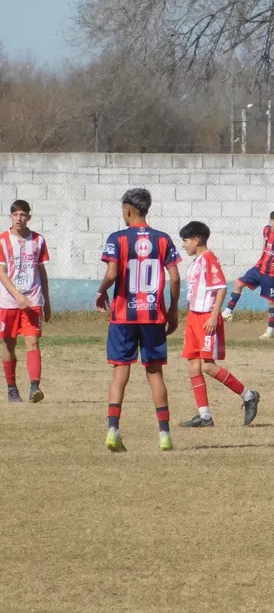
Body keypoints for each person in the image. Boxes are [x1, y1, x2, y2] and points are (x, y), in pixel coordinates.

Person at [96, 188, 182, 453]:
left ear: (128, 210)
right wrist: (173, 309)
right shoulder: (163, 239)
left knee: (120, 372)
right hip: (153, 316)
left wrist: (101, 291)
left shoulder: (117, 238)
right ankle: (164, 435)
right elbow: (176, 277)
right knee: (155, 373)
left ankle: (113, 430)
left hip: (123, 316)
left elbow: (112, 273)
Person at [178, 221, 261, 428]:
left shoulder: (209, 259)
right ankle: (204, 415)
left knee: (207, 365)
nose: (183, 245)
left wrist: (215, 316)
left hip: (207, 317)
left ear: (196, 240)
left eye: (185, 241)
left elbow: (222, 287)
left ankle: (248, 395)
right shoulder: (197, 261)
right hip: (194, 317)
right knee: (193, 365)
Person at [0, 199, 51, 403]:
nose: (19, 219)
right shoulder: (3, 240)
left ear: (29, 216)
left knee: (33, 341)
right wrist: (17, 295)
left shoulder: (38, 240)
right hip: (8, 301)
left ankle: (34, 387)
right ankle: (12, 388)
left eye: (23, 215)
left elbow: (42, 271)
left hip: (33, 299)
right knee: (8, 344)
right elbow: (2, 273)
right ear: (11, 217)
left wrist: (46, 301)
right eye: (15, 215)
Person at [221, 210, 274, 339]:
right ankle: (228, 311)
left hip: (272, 273)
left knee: (271, 301)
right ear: (270, 221)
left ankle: (270, 331)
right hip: (259, 269)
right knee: (238, 283)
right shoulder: (265, 230)